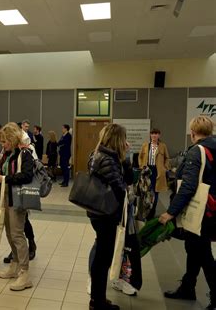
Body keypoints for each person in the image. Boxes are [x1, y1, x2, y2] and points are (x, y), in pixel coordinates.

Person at [159, 116, 216, 310]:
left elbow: (189, 186)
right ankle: (187, 287)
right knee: (195, 249)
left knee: (204, 255)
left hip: (199, 212)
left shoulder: (196, 151)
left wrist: (171, 212)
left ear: (192, 133)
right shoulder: (214, 148)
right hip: (211, 210)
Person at [88, 124, 133, 310]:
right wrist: (127, 160)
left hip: (97, 212)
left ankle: (98, 299)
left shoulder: (97, 153)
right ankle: (97, 302)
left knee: (101, 256)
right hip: (106, 214)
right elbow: (122, 187)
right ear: (118, 140)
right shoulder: (109, 159)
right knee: (103, 259)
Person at [0, 122, 34, 291]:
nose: (3, 145)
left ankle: (24, 273)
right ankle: (15, 264)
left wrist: (5, 179)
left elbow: (27, 176)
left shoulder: (25, 153)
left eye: (4, 142)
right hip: (6, 197)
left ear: (12, 139)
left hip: (17, 199)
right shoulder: (8, 155)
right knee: (9, 233)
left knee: (17, 234)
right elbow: (1, 170)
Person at [138, 128, 170, 219]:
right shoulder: (145, 145)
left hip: (158, 172)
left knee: (155, 193)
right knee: (146, 191)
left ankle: (152, 213)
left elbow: (167, 158)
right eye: (152, 133)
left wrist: (165, 168)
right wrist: (141, 166)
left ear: (159, 135)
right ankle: (145, 213)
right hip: (147, 171)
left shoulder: (162, 146)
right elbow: (140, 157)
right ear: (150, 135)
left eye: (156, 134)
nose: (154, 135)